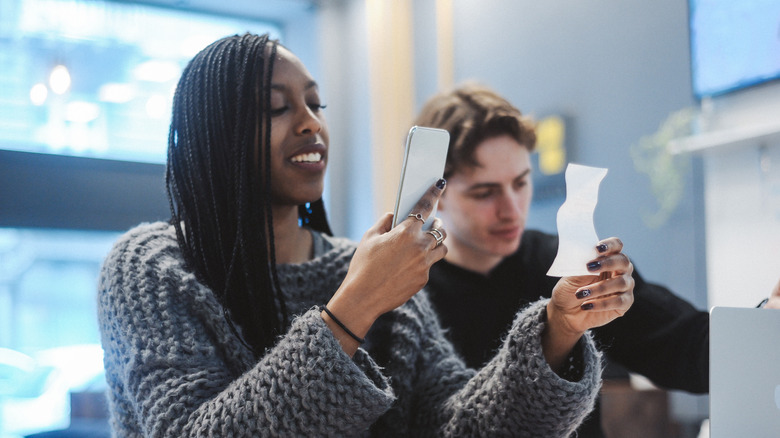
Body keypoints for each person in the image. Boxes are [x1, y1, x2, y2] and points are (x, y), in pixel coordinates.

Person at [96, 33, 636, 437]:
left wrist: (557, 331)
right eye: (277, 108)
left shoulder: (359, 267)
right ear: (212, 136)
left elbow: (463, 426)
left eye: (315, 103)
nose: (311, 123)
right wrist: (355, 306)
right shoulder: (151, 267)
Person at [413, 82, 780, 437]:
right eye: (485, 192)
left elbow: (684, 344)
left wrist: (764, 324)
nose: (511, 209)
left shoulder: (575, 269)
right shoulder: (409, 293)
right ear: (437, 195)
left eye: (521, 183)